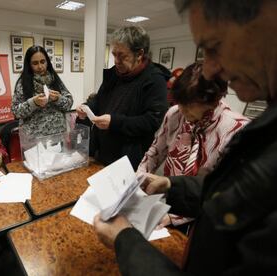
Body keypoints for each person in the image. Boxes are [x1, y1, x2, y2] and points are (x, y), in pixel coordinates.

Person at [94, 0, 277, 275]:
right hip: (172, 207)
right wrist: (166, 183)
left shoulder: (237, 129)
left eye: (215, 46)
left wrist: (127, 239)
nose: (212, 69)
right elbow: (219, 190)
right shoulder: (176, 115)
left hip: (183, 220)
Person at [138, 62, 249, 228]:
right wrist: (139, 178)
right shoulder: (174, 114)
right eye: (180, 102)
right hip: (167, 199)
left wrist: (175, 217)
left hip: (203, 216)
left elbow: (223, 191)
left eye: (189, 105)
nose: (182, 110)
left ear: (213, 100)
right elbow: (156, 151)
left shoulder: (235, 130)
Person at [76, 26, 169, 169]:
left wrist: (114, 122)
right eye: (114, 55)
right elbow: (100, 99)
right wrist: (87, 107)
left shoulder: (155, 80)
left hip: (129, 158)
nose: (116, 61)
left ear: (139, 54)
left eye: (122, 56)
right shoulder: (114, 73)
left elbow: (152, 121)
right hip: (103, 151)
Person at [12, 45, 73, 136]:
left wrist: (58, 99)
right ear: (29, 65)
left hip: (58, 136)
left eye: (43, 62)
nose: (40, 66)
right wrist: (33, 103)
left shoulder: (54, 79)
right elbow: (16, 112)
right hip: (34, 140)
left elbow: (69, 104)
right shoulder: (23, 83)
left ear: (47, 62)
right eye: (35, 63)